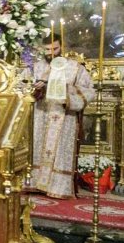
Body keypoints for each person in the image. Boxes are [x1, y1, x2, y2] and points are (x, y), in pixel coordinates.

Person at [30, 35, 96, 198]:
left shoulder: (75, 68)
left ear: (62, 47)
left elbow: (88, 89)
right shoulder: (35, 68)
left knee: (59, 152)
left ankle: (58, 187)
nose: (51, 53)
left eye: (55, 49)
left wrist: (65, 91)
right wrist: (36, 89)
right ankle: (35, 183)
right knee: (37, 147)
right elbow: (23, 87)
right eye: (47, 49)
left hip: (64, 116)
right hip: (40, 115)